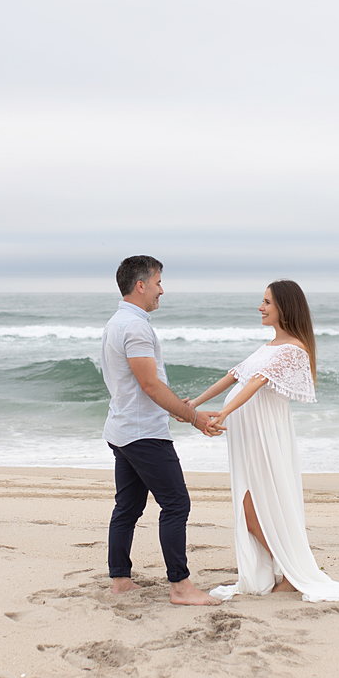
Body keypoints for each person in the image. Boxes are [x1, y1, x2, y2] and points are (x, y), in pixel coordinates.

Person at [186, 280, 339, 612]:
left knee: (255, 510)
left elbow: (256, 382)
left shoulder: (293, 349)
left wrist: (223, 412)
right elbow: (234, 376)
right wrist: (193, 404)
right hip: (248, 439)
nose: (260, 307)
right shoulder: (269, 346)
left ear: (284, 307)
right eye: (262, 301)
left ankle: (292, 574)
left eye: (267, 302)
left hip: (264, 438)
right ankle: (285, 572)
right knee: (249, 509)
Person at [101, 255, 222, 606]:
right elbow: (150, 385)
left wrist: (177, 405)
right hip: (143, 433)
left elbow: (142, 386)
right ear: (141, 285)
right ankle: (180, 586)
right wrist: (193, 417)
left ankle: (120, 580)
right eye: (157, 283)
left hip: (124, 428)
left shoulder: (117, 323)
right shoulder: (135, 326)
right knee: (176, 503)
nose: (161, 290)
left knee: (128, 506)